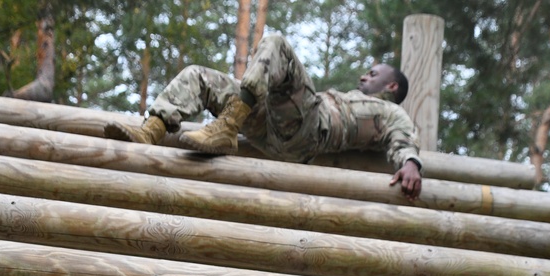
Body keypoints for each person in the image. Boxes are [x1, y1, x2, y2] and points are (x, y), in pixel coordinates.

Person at [103, 34, 424, 200]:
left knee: (277, 43)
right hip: (271, 123)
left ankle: (228, 125)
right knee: (199, 76)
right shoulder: (347, 96)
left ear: (392, 85)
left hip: (307, 129)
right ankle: (152, 129)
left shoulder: (390, 111)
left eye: (373, 74)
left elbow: (404, 138)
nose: (364, 77)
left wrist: (410, 164)